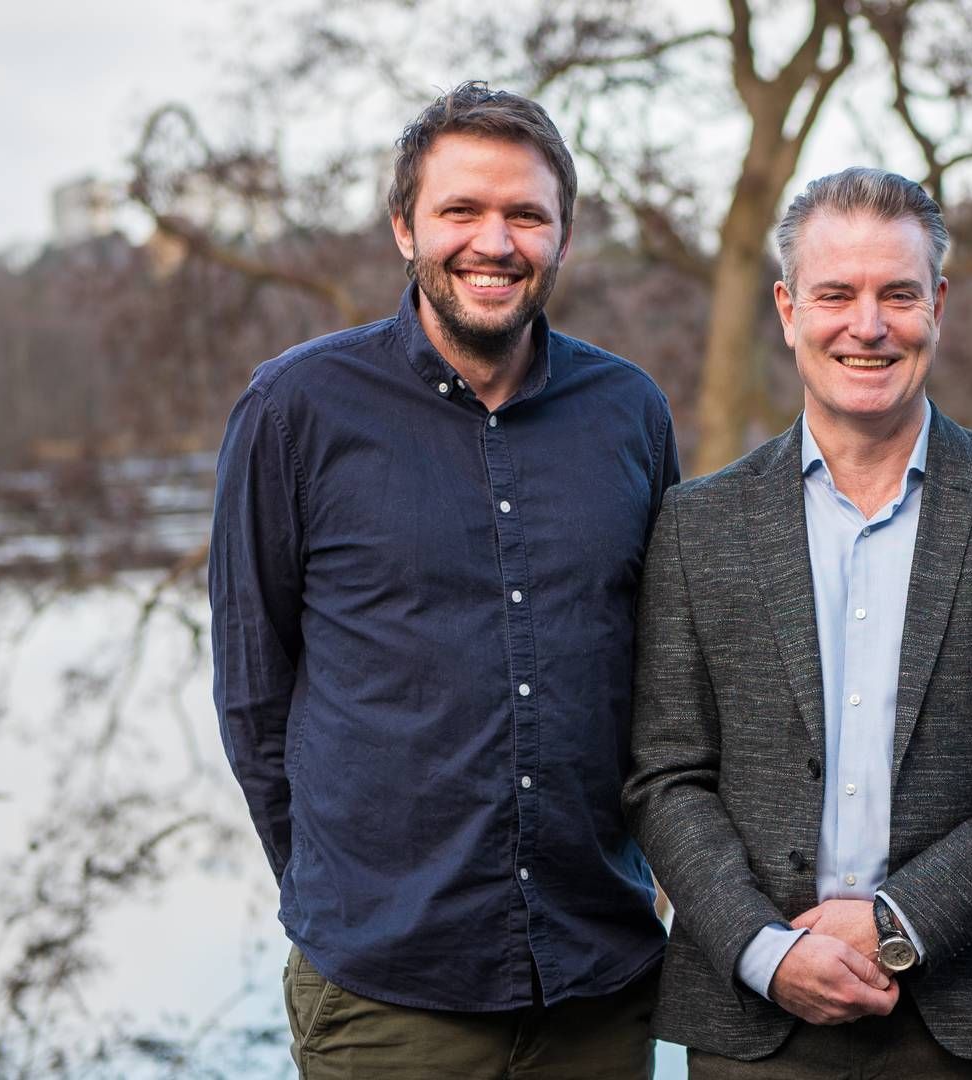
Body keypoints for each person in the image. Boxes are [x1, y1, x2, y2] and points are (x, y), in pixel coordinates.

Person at [210, 81, 675, 1079]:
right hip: (386, 998)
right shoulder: (296, 411)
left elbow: (662, 678)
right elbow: (253, 693)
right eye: (461, 210)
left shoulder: (629, 412)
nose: (493, 242)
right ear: (404, 227)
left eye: (525, 214)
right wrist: (339, 889)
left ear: (563, 233)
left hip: (598, 984)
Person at [624, 167, 972, 1077]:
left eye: (897, 292)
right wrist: (765, 950)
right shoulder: (699, 525)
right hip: (755, 1020)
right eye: (836, 293)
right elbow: (666, 774)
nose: (868, 324)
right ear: (786, 307)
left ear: (939, 302)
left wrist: (902, 921)